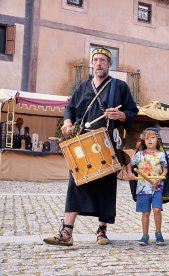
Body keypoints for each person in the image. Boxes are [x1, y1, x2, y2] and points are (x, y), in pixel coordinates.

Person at [43, 47, 138, 246]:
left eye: (103, 60)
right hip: (82, 143)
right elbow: (70, 108)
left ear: (109, 64)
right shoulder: (82, 87)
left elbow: (132, 111)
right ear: (92, 63)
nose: (99, 63)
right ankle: (67, 232)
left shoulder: (119, 87)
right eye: (95, 60)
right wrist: (68, 123)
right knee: (76, 182)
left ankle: (102, 230)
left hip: (106, 143)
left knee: (106, 187)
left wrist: (120, 116)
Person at [126, 127, 169, 246]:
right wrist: (130, 173)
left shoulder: (161, 155)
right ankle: (145, 235)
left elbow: (165, 170)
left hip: (157, 187)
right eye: (147, 138)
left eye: (152, 138)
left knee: (156, 210)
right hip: (142, 188)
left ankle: (158, 233)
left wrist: (159, 179)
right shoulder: (139, 155)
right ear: (144, 141)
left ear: (158, 140)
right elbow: (129, 165)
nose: (149, 140)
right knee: (145, 212)